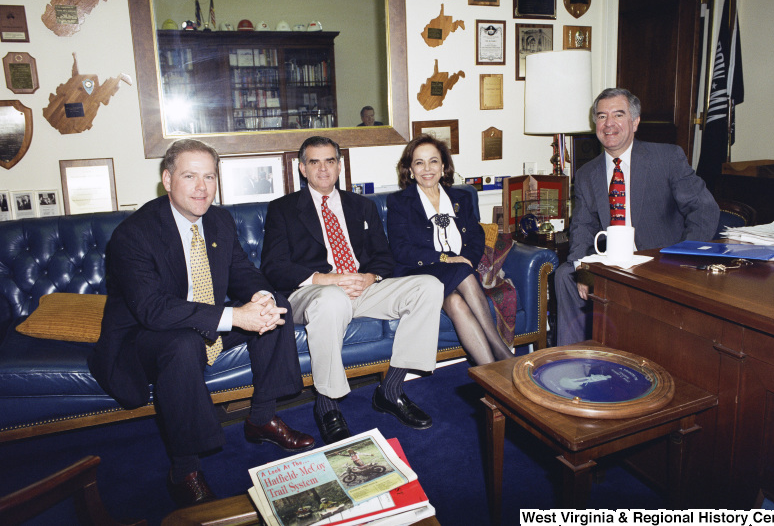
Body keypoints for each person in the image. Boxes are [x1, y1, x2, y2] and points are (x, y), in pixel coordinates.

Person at [88, 139, 314, 508]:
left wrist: (262, 298)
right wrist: (234, 316)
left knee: (277, 309)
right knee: (182, 344)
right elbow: (153, 310)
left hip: (199, 319)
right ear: (167, 179)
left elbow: (242, 272)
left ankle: (261, 418)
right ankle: (185, 468)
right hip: (143, 336)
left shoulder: (220, 220)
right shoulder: (134, 233)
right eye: (190, 176)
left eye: (209, 176)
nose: (202, 187)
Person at [261, 136, 444, 444]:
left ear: (339, 166)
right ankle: (327, 404)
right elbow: (274, 268)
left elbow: (384, 259)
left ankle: (392, 389)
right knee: (332, 299)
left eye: (330, 161)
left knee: (429, 286)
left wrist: (369, 277)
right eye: (314, 162)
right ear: (302, 169)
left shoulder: (362, 206)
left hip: (360, 289)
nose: (323, 169)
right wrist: (325, 279)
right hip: (312, 293)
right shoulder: (283, 209)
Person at [555, 88, 720, 346]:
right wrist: (582, 270)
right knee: (565, 274)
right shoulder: (587, 173)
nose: (608, 124)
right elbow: (582, 228)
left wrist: (683, 255)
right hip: (613, 263)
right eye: (601, 116)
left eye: (618, 115)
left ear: (635, 122)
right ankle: (571, 359)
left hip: (661, 262)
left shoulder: (666, 158)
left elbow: (704, 209)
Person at [387, 136, 515, 366]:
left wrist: (467, 260)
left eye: (433, 161)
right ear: (410, 169)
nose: (427, 169)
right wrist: (447, 259)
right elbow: (401, 251)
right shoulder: (399, 202)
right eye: (419, 163)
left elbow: (476, 237)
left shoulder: (461, 198)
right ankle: (503, 353)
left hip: (460, 272)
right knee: (462, 271)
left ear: (443, 166)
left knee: (456, 302)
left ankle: (490, 373)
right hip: (421, 274)